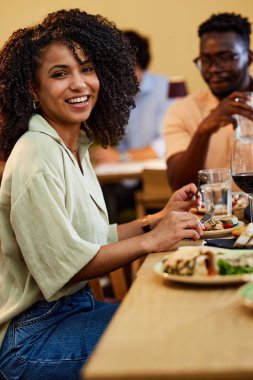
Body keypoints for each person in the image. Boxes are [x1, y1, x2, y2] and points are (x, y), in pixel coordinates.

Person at [0, 9, 203, 379]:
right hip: (31, 338)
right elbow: (70, 267)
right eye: (60, 73)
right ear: (32, 88)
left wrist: (153, 220)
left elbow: (88, 241)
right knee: (177, 335)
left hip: (72, 312)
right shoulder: (36, 153)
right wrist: (151, 242)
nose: (80, 84)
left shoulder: (73, 147)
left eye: (87, 69)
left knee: (178, 315)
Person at [164, 12, 253, 190]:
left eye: (225, 58)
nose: (213, 69)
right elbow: (179, 186)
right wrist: (203, 131)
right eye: (206, 60)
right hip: (208, 217)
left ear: (249, 58)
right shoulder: (183, 110)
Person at [91, 30, 171, 222]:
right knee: (95, 194)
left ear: (137, 65)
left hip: (159, 178)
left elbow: (165, 144)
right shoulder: (115, 94)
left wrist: (121, 156)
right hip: (124, 179)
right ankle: (104, 244)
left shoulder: (167, 89)